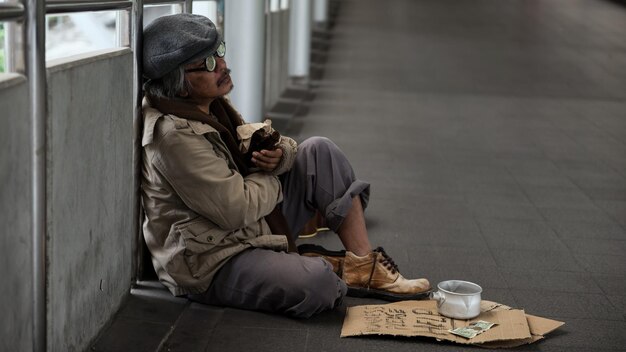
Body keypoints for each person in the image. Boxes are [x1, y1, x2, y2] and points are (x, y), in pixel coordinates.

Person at [140, 13, 431, 319]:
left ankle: (362, 265)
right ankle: (310, 266)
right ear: (181, 85)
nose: (222, 65)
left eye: (219, 52)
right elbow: (236, 208)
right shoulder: (173, 137)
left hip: (249, 226)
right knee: (319, 285)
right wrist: (272, 173)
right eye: (209, 64)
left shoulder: (207, 106)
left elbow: (262, 141)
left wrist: (281, 155)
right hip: (212, 261)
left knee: (319, 150)